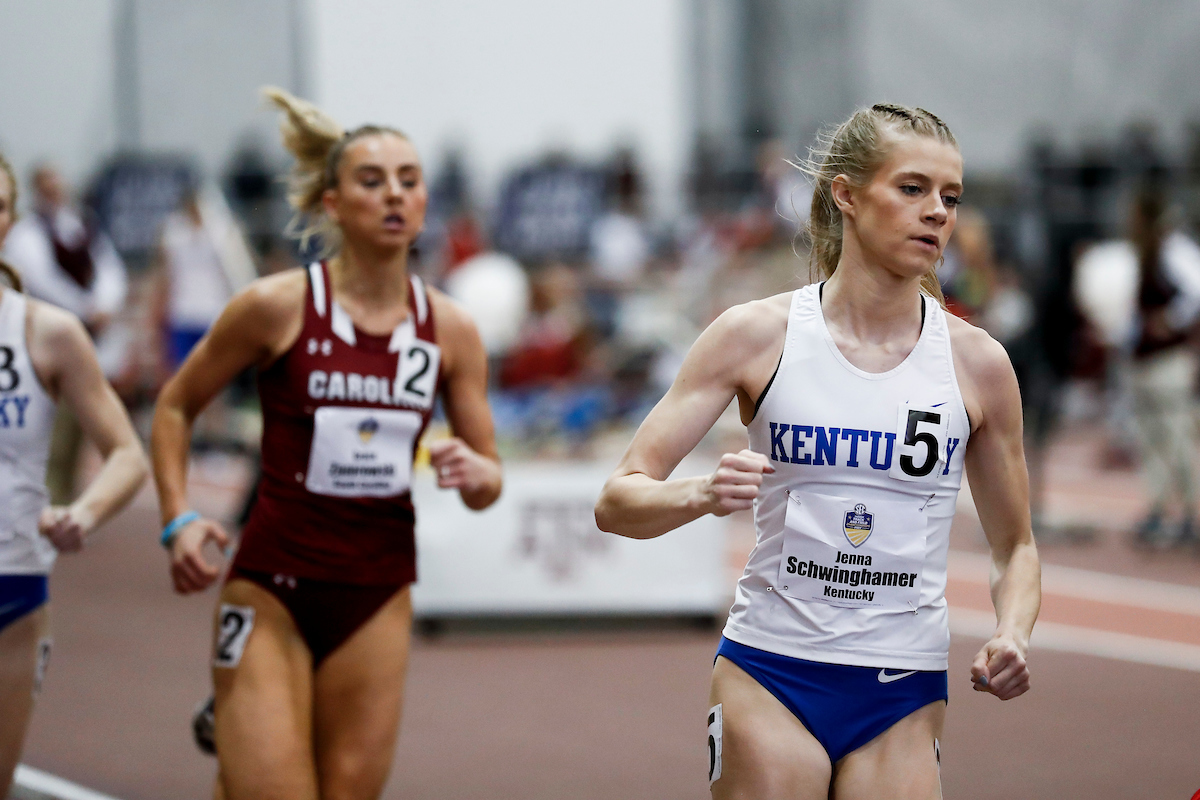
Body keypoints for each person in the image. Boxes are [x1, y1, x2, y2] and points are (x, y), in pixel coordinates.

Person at [595, 104, 1041, 798]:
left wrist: (1013, 632)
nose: (937, 213)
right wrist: (702, 493)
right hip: (773, 669)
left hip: (903, 683)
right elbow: (617, 500)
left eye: (951, 197)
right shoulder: (754, 335)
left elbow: (1016, 548)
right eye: (913, 189)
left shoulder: (978, 365)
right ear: (847, 194)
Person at [151, 88, 502, 800]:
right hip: (274, 582)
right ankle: (244, 720)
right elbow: (175, 406)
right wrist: (178, 518)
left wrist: (474, 472)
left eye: (409, 180)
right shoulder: (276, 306)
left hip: (375, 592)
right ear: (333, 203)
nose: (395, 195)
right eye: (372, 182)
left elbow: (489, 482)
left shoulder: (451, 330)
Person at [0, 153, 148, 798]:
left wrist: (80, 514)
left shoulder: (46, 333)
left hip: (12, 590)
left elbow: (127, 453)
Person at [1, 163, 130, 504]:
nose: (56, 190)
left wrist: (104, 304)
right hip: (43, 334)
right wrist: (84, 308)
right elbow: (40, 278)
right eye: (48, 184)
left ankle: (64, 498)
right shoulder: (28, 233)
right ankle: (48, 493)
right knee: (50, 429)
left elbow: (109, 268)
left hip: (82, 333)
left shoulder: (81, 224)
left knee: (78, 426)